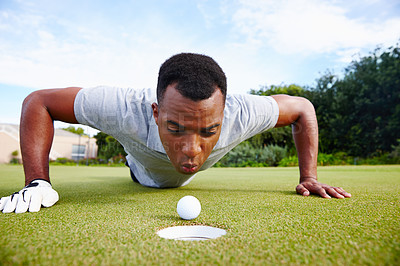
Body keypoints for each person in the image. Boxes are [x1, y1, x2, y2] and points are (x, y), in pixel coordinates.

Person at [0, 53, 351, 213]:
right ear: (156, 112)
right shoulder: (122, 108)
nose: (191, 151)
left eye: (208, 131)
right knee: (137, 163)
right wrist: (38, 182)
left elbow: (302, 109)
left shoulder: (243, 113)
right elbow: (39, 102)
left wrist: (309, 175)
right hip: (140, 168)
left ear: (225, 114)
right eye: (175, 128)